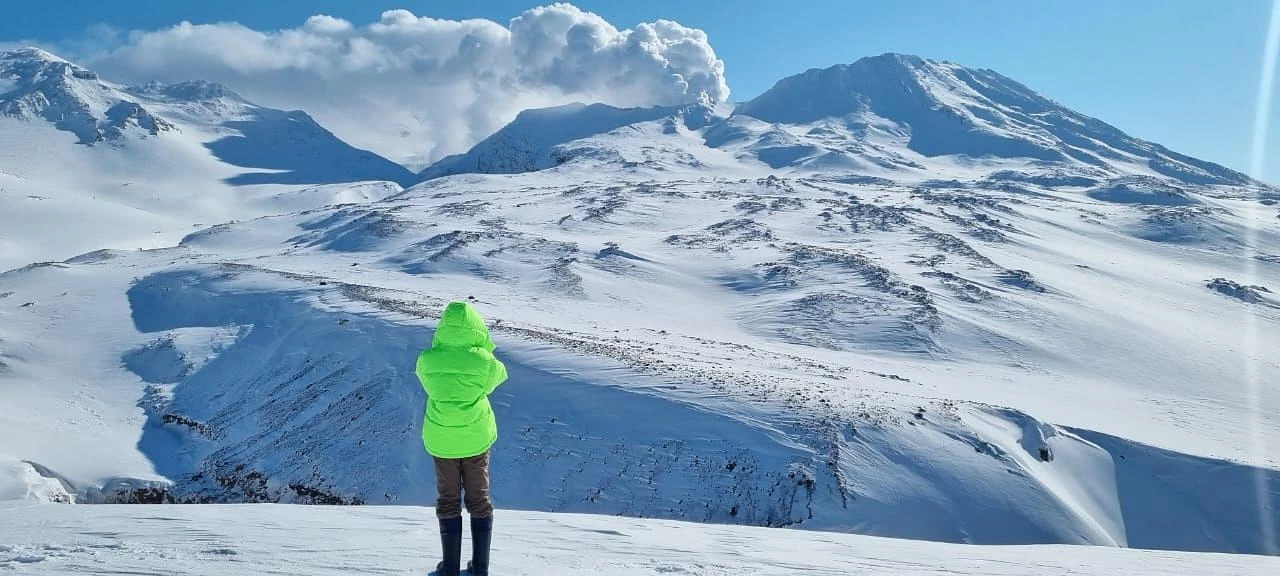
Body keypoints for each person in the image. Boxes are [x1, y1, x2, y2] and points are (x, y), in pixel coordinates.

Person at [416, 301, 508, 576]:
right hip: (475, 437)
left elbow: (428, 382)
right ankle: (480, 567)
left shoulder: (427, 359)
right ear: (475, 327)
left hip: (442, 437)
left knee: (448, 498)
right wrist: (484, 349)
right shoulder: (485, 362)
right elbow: (497, 378)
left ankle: (450, 568)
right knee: (479, 498)